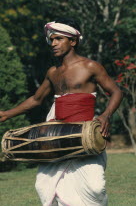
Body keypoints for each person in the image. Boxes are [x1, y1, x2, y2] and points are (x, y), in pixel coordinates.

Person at [0, 18, 122, 206]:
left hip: (84, 134)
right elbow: (36, 99)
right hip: (57, 135)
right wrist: (7, 114)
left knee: (95, 187)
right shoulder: (53, 72)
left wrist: (105, 115)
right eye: (51, 40)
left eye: (58, 39)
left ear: (73, 41)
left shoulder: (90, 66)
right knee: (44, 185)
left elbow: (116, 91)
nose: (53, 43)